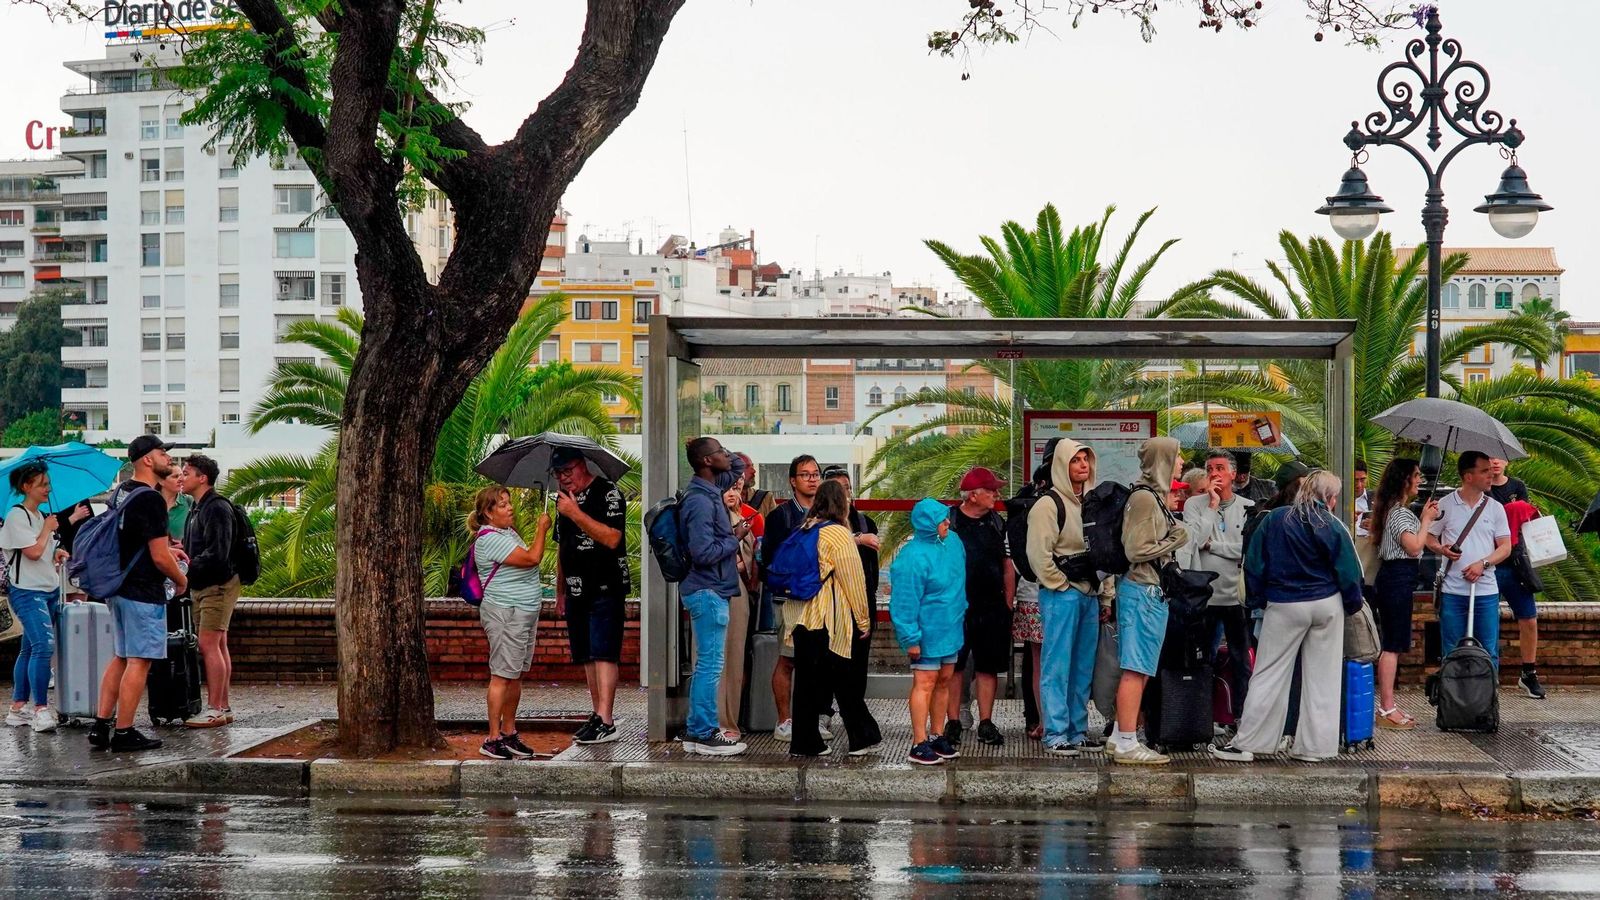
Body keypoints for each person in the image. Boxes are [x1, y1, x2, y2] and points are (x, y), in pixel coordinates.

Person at [1213, 470, 1364, 763]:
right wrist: (1351, 604)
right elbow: (1349, 572)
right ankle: (1315, 748)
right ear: (1329, 498)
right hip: (1327, 603)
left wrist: (1258, 600)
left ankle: (1251, 743)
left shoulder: (1275, 519)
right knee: (1323, 678)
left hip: (1284, 603)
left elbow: (1254, 564)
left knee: (1269, 673)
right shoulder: (1333, 525)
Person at [91, 435, 188, 753]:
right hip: (143, 590)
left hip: (117, 587)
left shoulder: (120, 492)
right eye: (163, 453)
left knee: (120, 656)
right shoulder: (151, 499)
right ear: (147, 459)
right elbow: (158, 557)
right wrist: (179, 579)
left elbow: (136, 541)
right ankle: (124, 732)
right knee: (140, 660)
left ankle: (101, 726)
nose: (168, 459)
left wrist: (168, 549)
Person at [1026, 440, 1109, 756]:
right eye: (1075, 460)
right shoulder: (1048, 505)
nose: (1083, 465)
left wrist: (1104, 595)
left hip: (1089, 595)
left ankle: (1076, 730)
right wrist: (1061, 585)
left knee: (1081, 667)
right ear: (1061, 465)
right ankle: (1056, 733)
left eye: (1086, 458)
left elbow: (1103, 550)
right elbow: (1039, 554)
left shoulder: (1091, 502)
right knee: (1057, 666)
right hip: (1062, 596)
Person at [1111, 436, 1189, 765]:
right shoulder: (1145, 499)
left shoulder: (1152, 497)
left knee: (1141, 669)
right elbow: (1136, 550)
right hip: (1142, 589)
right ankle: (1128, 741)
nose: (1182, 461)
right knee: (1135, 668)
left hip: (1148, 590)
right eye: (1177, 455)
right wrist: (1175, 538)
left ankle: (1120, 735)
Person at [787, 481, 881, 757]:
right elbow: (854, 582)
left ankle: (804, 742)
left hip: (804, 618)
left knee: (806, 683)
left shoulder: (805, 528)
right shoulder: (839, 534)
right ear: (842, 503)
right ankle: (861, 737)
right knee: (846, 679)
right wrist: (863, 621)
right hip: (832, 620)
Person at [549, 447, 630, 745]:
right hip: (575, 588)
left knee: (603, 650)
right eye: (558, 474)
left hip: (605, 584)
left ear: (582, 466)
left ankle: (607, 720)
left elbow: (612, 538)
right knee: (585, 653)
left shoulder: (607, 493)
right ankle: (596, 713)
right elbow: (563, 546)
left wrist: (575, 513)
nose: (564, 478)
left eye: (568, 471)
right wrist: (560, 590)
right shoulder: (563, 501)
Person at [463, 486, 550, 759]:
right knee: (501, 675)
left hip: (522, 612)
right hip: (506, 613)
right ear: (488, 513)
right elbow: (532, 558)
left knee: (514, 674)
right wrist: (542, 528)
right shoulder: (489, 538)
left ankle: (509, 733)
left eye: (508, 502)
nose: (510, 507)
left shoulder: (507, 533)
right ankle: (492, 737)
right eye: (502, 505)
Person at [678, 437, 750, 756]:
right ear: (707, 462)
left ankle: (697, 730)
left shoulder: (711, 488)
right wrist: (735, 540)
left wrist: (713, 448)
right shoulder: (700, 500)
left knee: (708, 663)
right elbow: (702, 552)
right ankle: (704, 731)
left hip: (712, 588)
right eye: (719, 452)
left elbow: (736, 467)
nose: (726, 455)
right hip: (708, 589)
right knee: (709, 664)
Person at [890, 497, 967, 765]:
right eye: (941, 519)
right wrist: (910, 637)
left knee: (944, 679)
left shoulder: (954, 543)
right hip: (926, 630)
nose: (947, 522)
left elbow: (960, 581)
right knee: (925, 683)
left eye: (946, 517)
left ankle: (937, 734)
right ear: (928, 524)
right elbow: (904, 600)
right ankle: (919, 741)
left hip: (951, 626)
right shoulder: (912, 557)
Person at [1183, 449, 1256, 726]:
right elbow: (1194, 541)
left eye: (1220, 468)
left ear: (1233, 474)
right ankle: (1202, 717)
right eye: (1210, 468)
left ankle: (1240, 716)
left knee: (1241, 659)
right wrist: (1212, 507)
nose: (1214, 473)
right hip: (1205, 596)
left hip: (1235, 596)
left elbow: (1244, 551)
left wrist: (1215, 545)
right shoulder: (1195, 505)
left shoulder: (1248, 506)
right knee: (1203, 658)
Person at [1367, 458, 1439, 729]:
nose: (1420, 480)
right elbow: (1414, 546)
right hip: (1397, 578)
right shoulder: (1398, 514)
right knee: (1393, 644)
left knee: (1395, 642)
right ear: (1404, 480)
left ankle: (1388, 704)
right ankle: (1386, 706)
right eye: (1416, 475)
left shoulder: (1394, 511)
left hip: (1398, 579)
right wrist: (1426, 520)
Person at [763, 455, 829, 744]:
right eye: (805, 474)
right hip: (789, 599)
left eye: (816, 474)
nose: (812, 479)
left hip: (821, 599)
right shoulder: (781, 516)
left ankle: (811, 719)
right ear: (793, 480)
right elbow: (770, 561)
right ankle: (784, 721)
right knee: (788, 660)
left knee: (816, 662)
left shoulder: (829, 515)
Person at [947, 466, 1014, 747]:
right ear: (973, 495)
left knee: (989, 666)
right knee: (954, 665)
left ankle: (986, 721)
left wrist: (1008, 604)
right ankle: (952, 722)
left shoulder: (998, 523)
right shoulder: (949, 521)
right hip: (955, 607)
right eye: (991, 490)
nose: (996, 495)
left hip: (992, 606)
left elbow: (1007, 565)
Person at [1426, 451, 1512, 668]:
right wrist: (1441, 549)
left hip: (1486, 591)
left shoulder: (1495, 508)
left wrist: (1483, 563)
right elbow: (1428, 536)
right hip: (1453, 591)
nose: (1490, 475)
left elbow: (1505, 547)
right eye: (1484, 471)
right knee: (1451, 650)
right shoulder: (1446, 504)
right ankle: (1452, 699)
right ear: (1468, 476)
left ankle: (1487, 700)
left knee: (1489, 651)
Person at [3, 461, 70, 733]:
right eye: (42, 484)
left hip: (48, 588)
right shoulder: (16, 516)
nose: (47, 489)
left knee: (30, 649)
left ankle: (18, 707)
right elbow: (30, 551)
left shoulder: (41, 516)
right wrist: (46, 531)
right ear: (25, 487)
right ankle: (41, 708)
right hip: (27, 592)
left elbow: (42, 552)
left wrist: (56, 552)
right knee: (43, 647)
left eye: (48, 483)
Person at [178, 454, 242, 728]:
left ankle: (215, 708)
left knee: (208, 644)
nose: (181, 477)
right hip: (205, 584)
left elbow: (218, 552)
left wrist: (188, 565)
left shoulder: (215, 508)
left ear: (202, 478)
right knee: (218, 644)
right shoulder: (197, 508)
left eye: (187, 472)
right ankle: (223, 706)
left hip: (216, 584)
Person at [824, 465, 880, 707]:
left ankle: (856, 710)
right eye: (838, 489)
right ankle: (824, 711)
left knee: (858, 661)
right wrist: (856, 540)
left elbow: (873, 569)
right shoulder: (819, 524)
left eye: (847, 488)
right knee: (827, 661)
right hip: (830, 604)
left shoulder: (865, 522)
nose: (844, 494)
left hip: (862, 600)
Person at [1488, 457, 1544, 699]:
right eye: (1489, 459)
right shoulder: (1482, 490)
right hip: (1489, 562)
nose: (1495, 463)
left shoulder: (1517, 486)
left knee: (1529, 618)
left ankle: (1529, 672)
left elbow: (1526, 519)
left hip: (1516, 564)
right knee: (1488, 621)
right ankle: (1488, 673)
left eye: (1498, 458)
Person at [716, 456, 762, 741]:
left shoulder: (752, 516)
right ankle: (711, 721)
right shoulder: (706, 512)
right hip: (712, 589)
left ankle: (731, 719)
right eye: (728, 485)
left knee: (734, 657)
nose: (733, 492)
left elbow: (757, 558)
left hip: (739, 591)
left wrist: (746, 564)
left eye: (738, 485)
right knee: (710, 659)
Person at [1009, 463, 1051, 740]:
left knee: (1038, 661)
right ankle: (1052, 721)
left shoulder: (1021, 506)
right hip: (1050, 591)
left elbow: (1011, 557)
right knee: (1053, 661)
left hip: (1029, 593)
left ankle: (1041, 718)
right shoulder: (1046, 507)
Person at [159, 467, 192, 546]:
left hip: (182, 556)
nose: (181, 480)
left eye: (182, 476)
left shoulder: (189, 501)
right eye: (175, 476)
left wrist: (185, 545)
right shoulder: (149, 502)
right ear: (161, 481)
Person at [1353, 460, 1372, 539]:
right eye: (1355, 480)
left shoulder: (1375, 498)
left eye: (1362, 479)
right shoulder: (1339, 500)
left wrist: (1374, 526)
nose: (1359, 485)